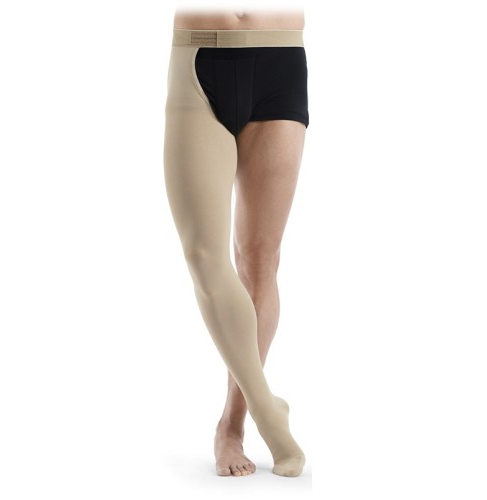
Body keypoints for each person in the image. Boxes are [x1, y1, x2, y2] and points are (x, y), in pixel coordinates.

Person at [163, 8, 309, 477]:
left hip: (280, 57)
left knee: (259, 260)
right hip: (198, 58)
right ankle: (270, 412)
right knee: (203, 255)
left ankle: (233, 423)